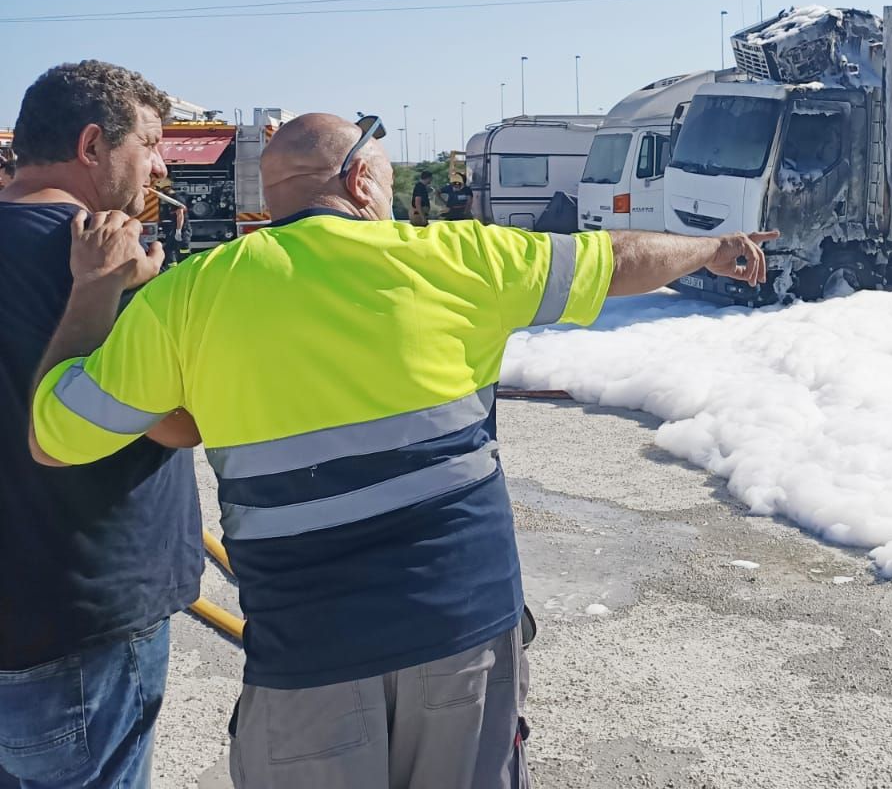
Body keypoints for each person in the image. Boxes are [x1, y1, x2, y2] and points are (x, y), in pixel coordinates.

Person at [29, 113, 775, 788]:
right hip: (465, 639)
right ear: (359, 181)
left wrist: (94, 291)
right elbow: (616, 258)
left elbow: (58, 437)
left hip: (308, 663)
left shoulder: (188, 299)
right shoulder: (457, 258)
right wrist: (712, 248)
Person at [0, 61, 202, 789]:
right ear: (92, 146)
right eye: (150, 143)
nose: (158, 164)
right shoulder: (110, 261)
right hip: (80, 619)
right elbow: (178, 424)